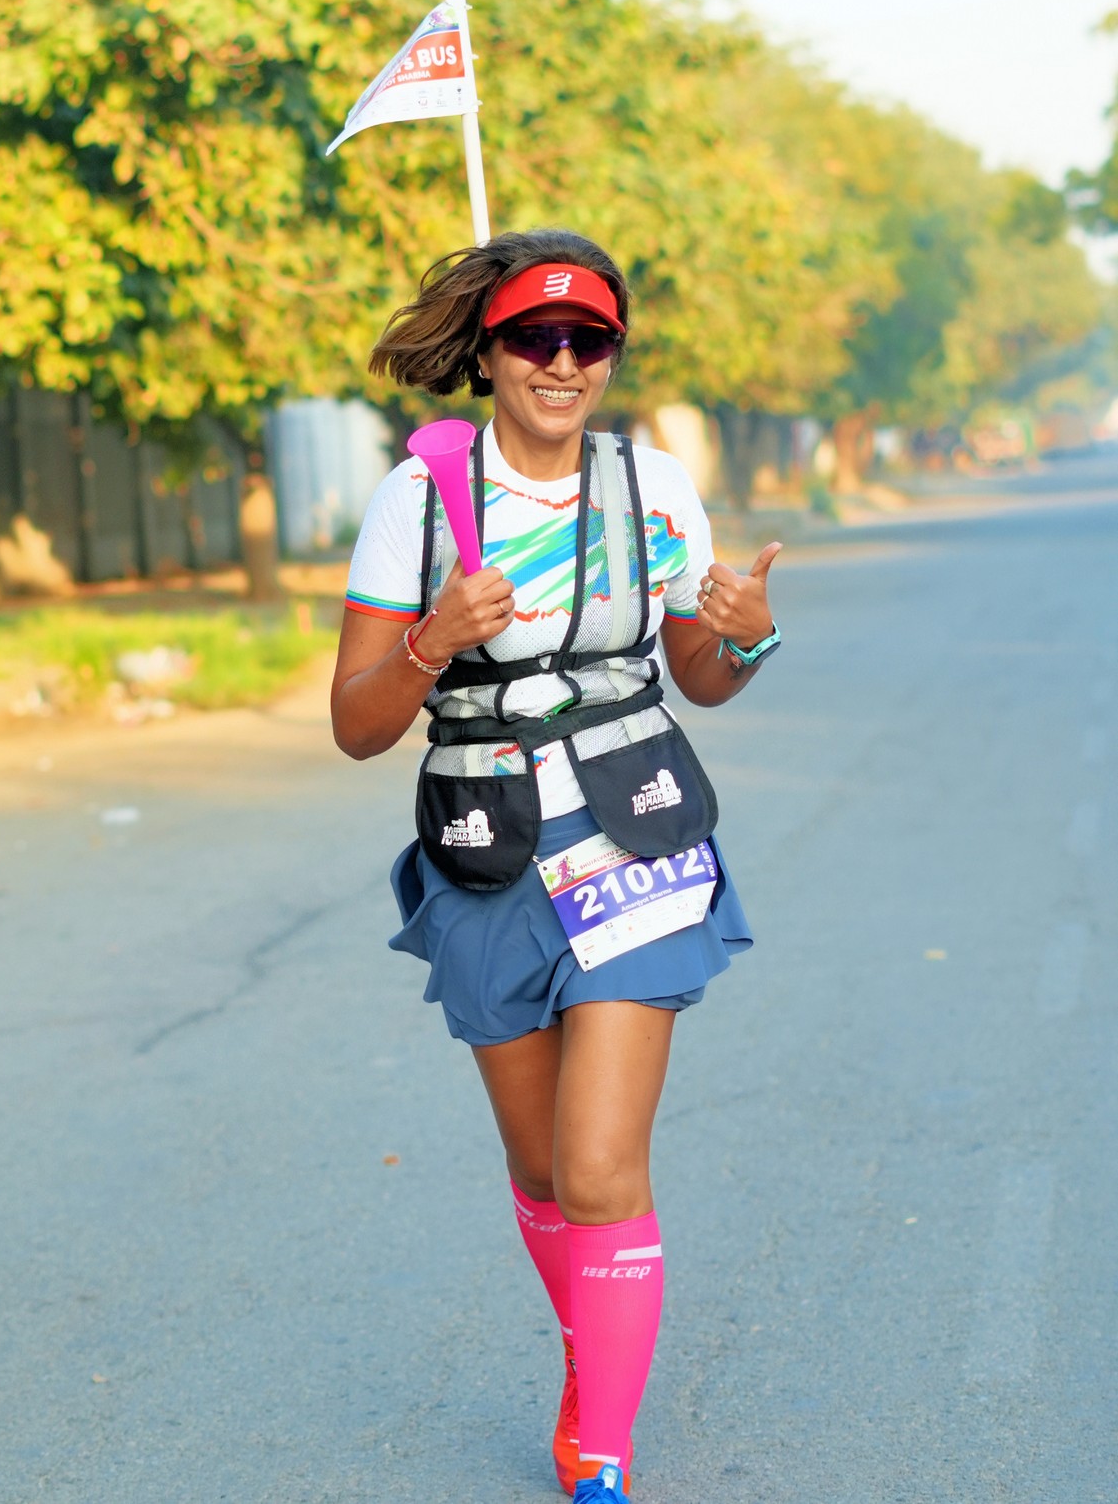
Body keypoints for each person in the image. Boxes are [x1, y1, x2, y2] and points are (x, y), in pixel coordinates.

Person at [331, 228, 782, 1501]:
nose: (564, 361)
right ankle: (597, 1353)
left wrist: (746, 637)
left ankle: (602, 1446)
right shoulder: (420, 500)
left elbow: (698, 673)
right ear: (489, 351)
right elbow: (356, 723)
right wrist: (430, 642)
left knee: (596, 1167)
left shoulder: (654, 486)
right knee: (539, 1172)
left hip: (634, 833)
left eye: (590, 340)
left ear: (612, 357)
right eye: (537, 336)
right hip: (487, 848)